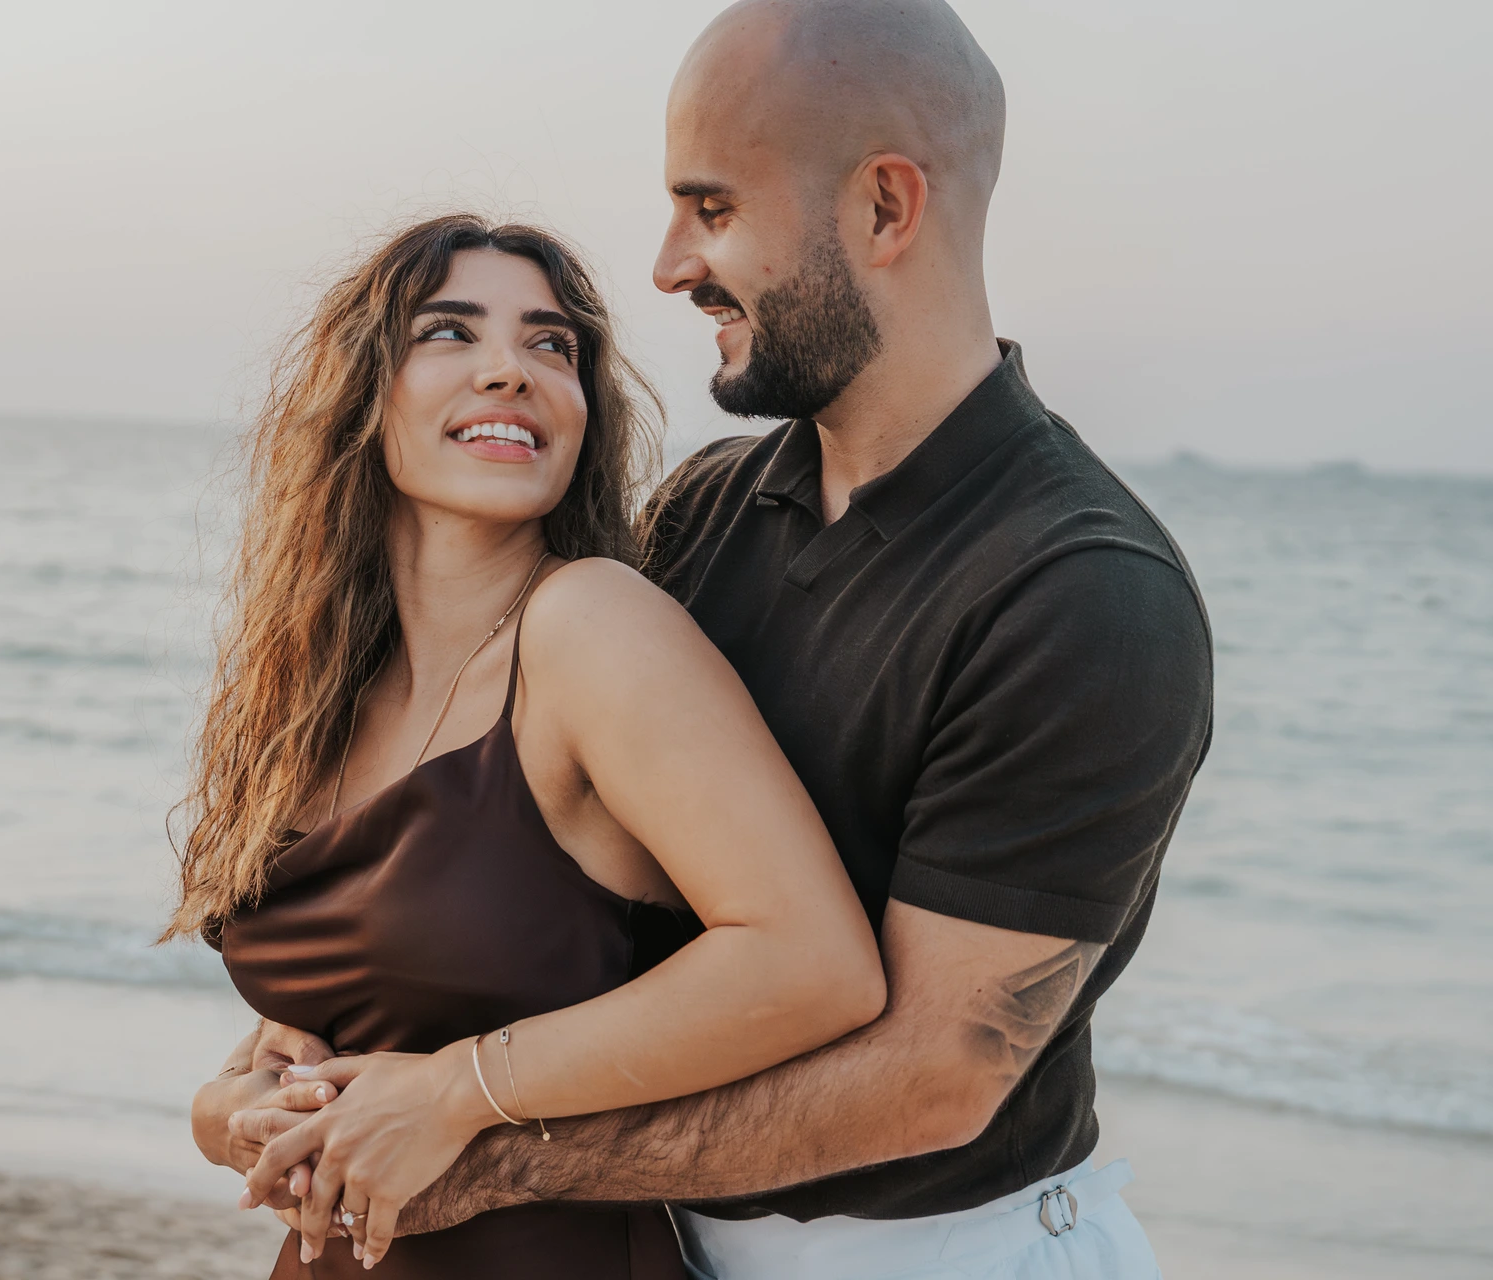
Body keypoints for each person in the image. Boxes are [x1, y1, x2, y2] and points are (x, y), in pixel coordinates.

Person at [204, 3, 1215, 1279]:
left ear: (886, 210)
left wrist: (481, 1137)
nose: (670, 266)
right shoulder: (703, 515)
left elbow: (931, 1080)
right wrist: (290, 1093)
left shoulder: (1083, 593)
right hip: (674, 1238)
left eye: (713, 208)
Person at [166, 213, 891, 1278]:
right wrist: (227, 1111)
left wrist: (462, 1085)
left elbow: (815, 963)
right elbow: (316, 1037)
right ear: (361, 393)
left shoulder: (591, 624)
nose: (512, 370)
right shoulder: (313, 690)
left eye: (553, 345)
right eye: (451, 333)